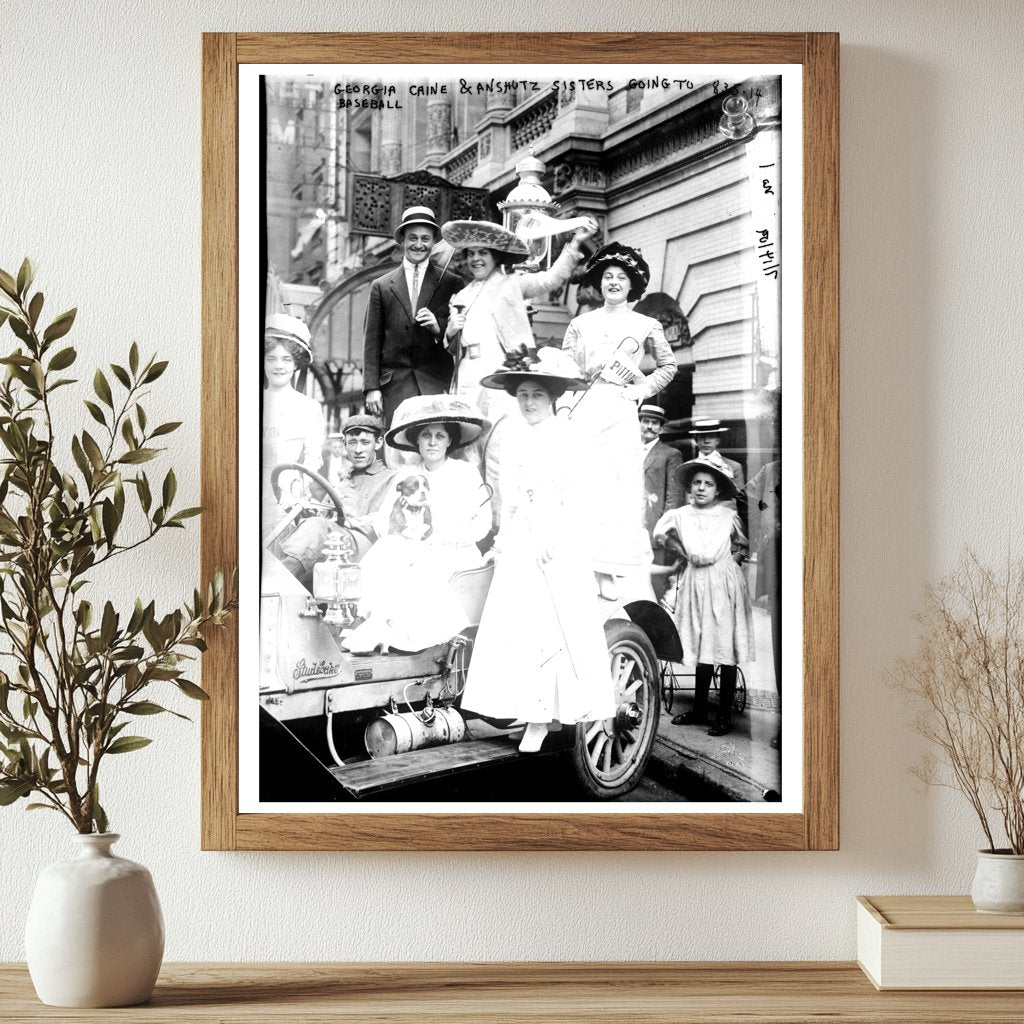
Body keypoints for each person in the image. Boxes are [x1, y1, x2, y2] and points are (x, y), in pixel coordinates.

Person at [460, 349, 617, 753]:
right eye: (523, 395)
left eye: (537, 395)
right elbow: (510, 503)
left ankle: (542, 718)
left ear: (552, 398)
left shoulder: (569, 437)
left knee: (549, 629)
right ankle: (523, 708)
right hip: (521, 544)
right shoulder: (512, 439)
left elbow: (584, 498)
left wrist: (557, 535)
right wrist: (500, 542)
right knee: (515, 627)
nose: (529, 402)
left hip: (559, 545)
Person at [440, 216, 597, 528]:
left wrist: (575, 244)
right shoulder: (460, 296)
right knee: (468, 452)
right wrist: (448, 332)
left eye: (482, 253)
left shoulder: (510, 284)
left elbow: (549, 280)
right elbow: (449, 347)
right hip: (466, 380)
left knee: (500, 451)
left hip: (498, 375)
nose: (475, 259)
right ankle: (473, 526)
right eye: (471, 254)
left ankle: (501, 526)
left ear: (495, 256)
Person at [561, 242, 677, 598]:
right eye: (607, 276)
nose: (613, 282)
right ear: (599, 283)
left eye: (621, 277)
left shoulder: (646, 324)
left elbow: (669, 366)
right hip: (584, 407)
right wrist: (564, 409)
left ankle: (610, 569)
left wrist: (641, 391)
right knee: (582, 485)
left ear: (632, 284)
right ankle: (578, 563)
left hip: (620, 408)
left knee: (617, 489)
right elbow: (566, 370)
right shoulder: (580, 323)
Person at [343, 396, 492, 654]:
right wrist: (405, 535)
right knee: (384, 555)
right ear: (417, 440)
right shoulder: (406, 475)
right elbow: (383, 522)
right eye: (426, 435)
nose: (432, 442)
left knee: (420, 570)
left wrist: (446, 538)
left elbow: (483, 523)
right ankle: (371, 626)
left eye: (439, 436)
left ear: (449, 440)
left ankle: (394, 634)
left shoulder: (465, 473)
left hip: (455, 550)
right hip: (411, 546)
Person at [653, 457, 754, 737]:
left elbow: (744, 544)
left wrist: (732, 562)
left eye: (708, 484)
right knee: (701, 644)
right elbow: (661, 535)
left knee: (724, 646)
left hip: (723, 583)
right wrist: (682, 552)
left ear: (718, 490)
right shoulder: (681, 514)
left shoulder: (727, 516)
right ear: (690, 487)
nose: (701, 488)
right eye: (696, 483)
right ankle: (699, 708)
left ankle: (724, 714)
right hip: (695, 580)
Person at [362, 206, 463, 429]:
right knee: (396, 451)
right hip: (394, 388)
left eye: (425, 238)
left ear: (433, 241)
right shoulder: (380, 286)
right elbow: (371, 341)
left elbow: (460, 336)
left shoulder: (451, 283)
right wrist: (372, 388)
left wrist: (438, 327)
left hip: (435, 384)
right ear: (402, 240)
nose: (419, 244)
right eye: (413, 238)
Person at [277, 414, 397, 586]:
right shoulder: (341, 483)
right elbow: (324, 514)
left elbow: (388, 520)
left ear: (377, 443)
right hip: (333, 541)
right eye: (353, 442)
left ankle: (278, 582)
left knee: (318, 527)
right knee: (283, 526)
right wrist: (307, 512)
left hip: (367, 547)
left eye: (365, 442)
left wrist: (346, 523)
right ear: (345, 444)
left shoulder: (392, 479)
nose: (358, 450)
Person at [262, 313, 325, 513]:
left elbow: (313, 456)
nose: (279, 366)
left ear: (296, 364)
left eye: (286, 360)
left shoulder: (309, 407)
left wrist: (299, 486)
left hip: (289, 494)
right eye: (271, 359)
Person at [640, 403, 684, 600]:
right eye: (645, 421)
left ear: (661, 427)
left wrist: (662, 530)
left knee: (655, 583)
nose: (649, 426)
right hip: (629, 527)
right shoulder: (629, 450)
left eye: (655, 423)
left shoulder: (670, 454)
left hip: (653, 530)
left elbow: (673, 497)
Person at [688, 420, 745, 517]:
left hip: (722, 518)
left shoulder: (734, 466)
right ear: (696, 440)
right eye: (702, 437)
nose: (706, 441)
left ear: (718, 440)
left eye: (711, 436)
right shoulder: (688, 467)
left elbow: (739, 500)